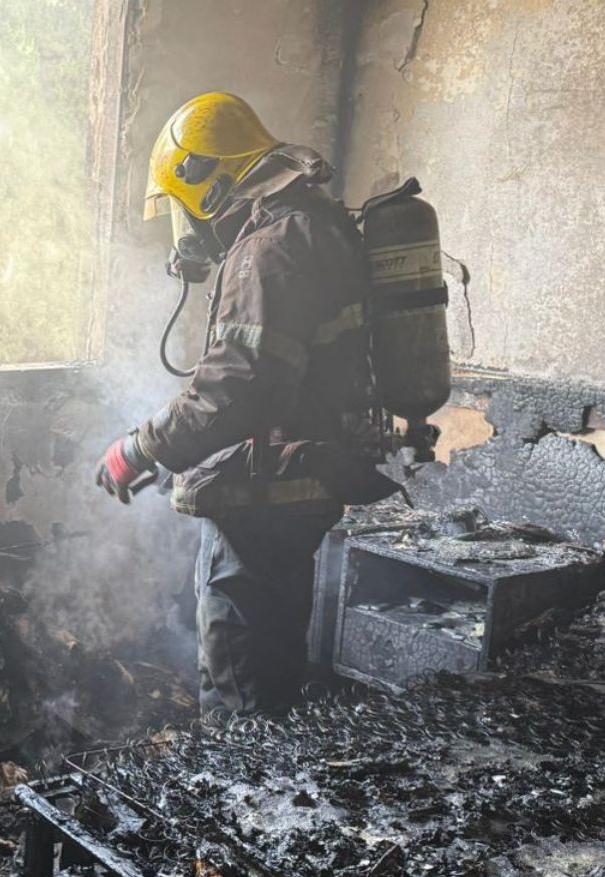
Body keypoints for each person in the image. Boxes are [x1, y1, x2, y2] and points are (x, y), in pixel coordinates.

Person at [96, 92, 388, 714]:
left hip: (266, 494)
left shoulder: (271, 245)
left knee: (239, 679)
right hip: (300, 484)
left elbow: (239, 386)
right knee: (274, 655)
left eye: (183, 207)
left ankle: (237, 797)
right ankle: (273, 788)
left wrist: (141, 446)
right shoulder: (314, 221)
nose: (187, 231)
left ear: (209, 182)